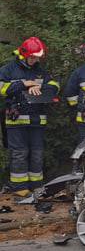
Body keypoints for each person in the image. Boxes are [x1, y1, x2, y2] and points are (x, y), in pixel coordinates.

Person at [0, 37, 59, 196]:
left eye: (37, 57)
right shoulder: (8, 70)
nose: (35, 60)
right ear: (24, 54)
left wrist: (41, 86)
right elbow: (1, 88)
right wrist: (24, 84)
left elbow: (55, 86)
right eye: (32, 57)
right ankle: (19, 188)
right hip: (16, 121)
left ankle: (37, 185)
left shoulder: (40, 71)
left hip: (37, 121)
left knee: (37, 153)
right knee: (19, 154)